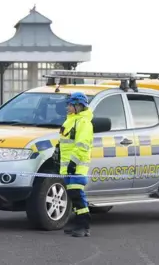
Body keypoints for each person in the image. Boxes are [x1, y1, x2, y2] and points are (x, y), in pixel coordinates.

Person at [59, 92, 94, 237]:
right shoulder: (70, 121)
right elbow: (66, 142)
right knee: (74, 196)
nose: (68, 107)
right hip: (68, 166)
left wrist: (73, 163)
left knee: (77, 195)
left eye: (70, 104)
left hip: (77, 166)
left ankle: (84, 226)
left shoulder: (83, 123)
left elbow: (82, 145)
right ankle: (78, 225)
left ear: (78, 106)